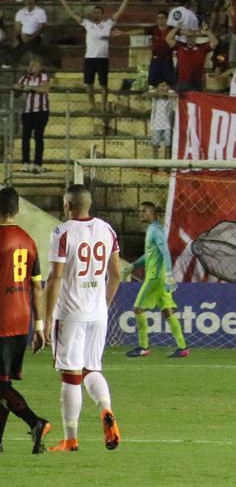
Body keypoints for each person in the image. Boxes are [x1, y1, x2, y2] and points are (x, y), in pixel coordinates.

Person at [43, 185, 122, 452]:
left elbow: (56, 277)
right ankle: (106, 409)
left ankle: (70, 439)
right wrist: (103, 305)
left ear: (68, 205)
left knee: (71, 376)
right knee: (92, 369)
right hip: (97, 314)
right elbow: (117, 275)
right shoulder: (107, 229)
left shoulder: (62, 232)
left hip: (70, 314)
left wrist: (45, 318)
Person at [0, 186, 52, 454]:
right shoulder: (28, 240)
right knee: (2, 385)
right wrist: (40, 326)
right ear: (17, 209)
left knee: (1, 385)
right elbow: (37, 287)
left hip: (1, 320)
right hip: (22, 321)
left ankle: (36, 422)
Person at [121, 202, 188, 359]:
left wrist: (169, 274)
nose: (140, 214)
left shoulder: (155, 231)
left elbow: (165, 251)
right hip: (160, 277)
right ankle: (182, 347)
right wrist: (134, 266)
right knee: (167, 311)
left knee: (138, 309)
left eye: (143, 211)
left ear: (152, 213)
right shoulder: (154, 230)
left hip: (155, 278)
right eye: (139, 211)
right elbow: (151, 254)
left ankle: (143, 346)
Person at [57, 0, 130, 112]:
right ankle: (93, 106)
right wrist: (63, 2)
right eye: (94, 12)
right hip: (89, 59)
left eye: (98, 12)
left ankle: (103, 106)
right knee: (89, 85)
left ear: (102, 15)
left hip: (103, 59)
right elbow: (72, 14)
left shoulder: (108, 24)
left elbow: (120, 12)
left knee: (103, 85)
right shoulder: (87, 24)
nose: (95, 14)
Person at [14, 58, 51, 173]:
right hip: (28, 111)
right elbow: (16, 91)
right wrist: (17, 88)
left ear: (40, 67)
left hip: (41, 111)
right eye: (30, 65)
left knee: (38, 137)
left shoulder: (44, 77)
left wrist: (30, 88)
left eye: (34, 65)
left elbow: (44, 89)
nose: (31, 67)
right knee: (25, 137)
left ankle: (37, 164)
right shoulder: (24, 78)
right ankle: (25, 163)